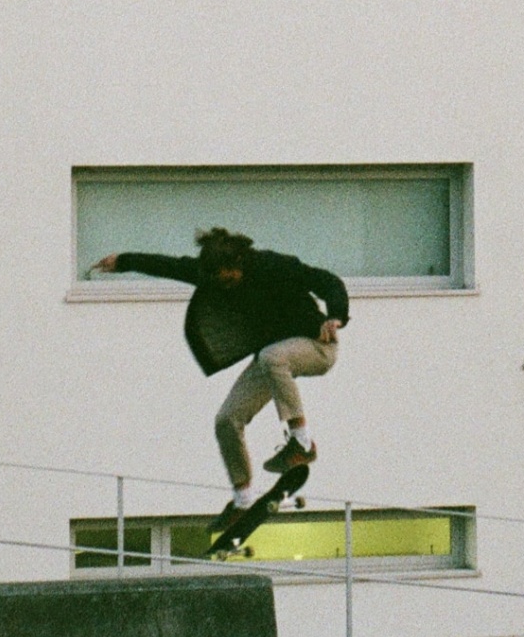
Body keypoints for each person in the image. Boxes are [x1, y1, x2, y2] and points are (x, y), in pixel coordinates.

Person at [88, 225, 349, 525]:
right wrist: (123, 261)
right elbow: (168, 266)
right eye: (218, 281)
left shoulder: (273, 265)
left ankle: (302, 443)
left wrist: (335, 316)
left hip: (317, 345)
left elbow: (327, 281)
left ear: (238, 264)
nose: (226, 286)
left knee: (272, 356)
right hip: (272, 360)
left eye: (229, 278)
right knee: (227, 420)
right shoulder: (210, 273)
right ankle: (243, 500)